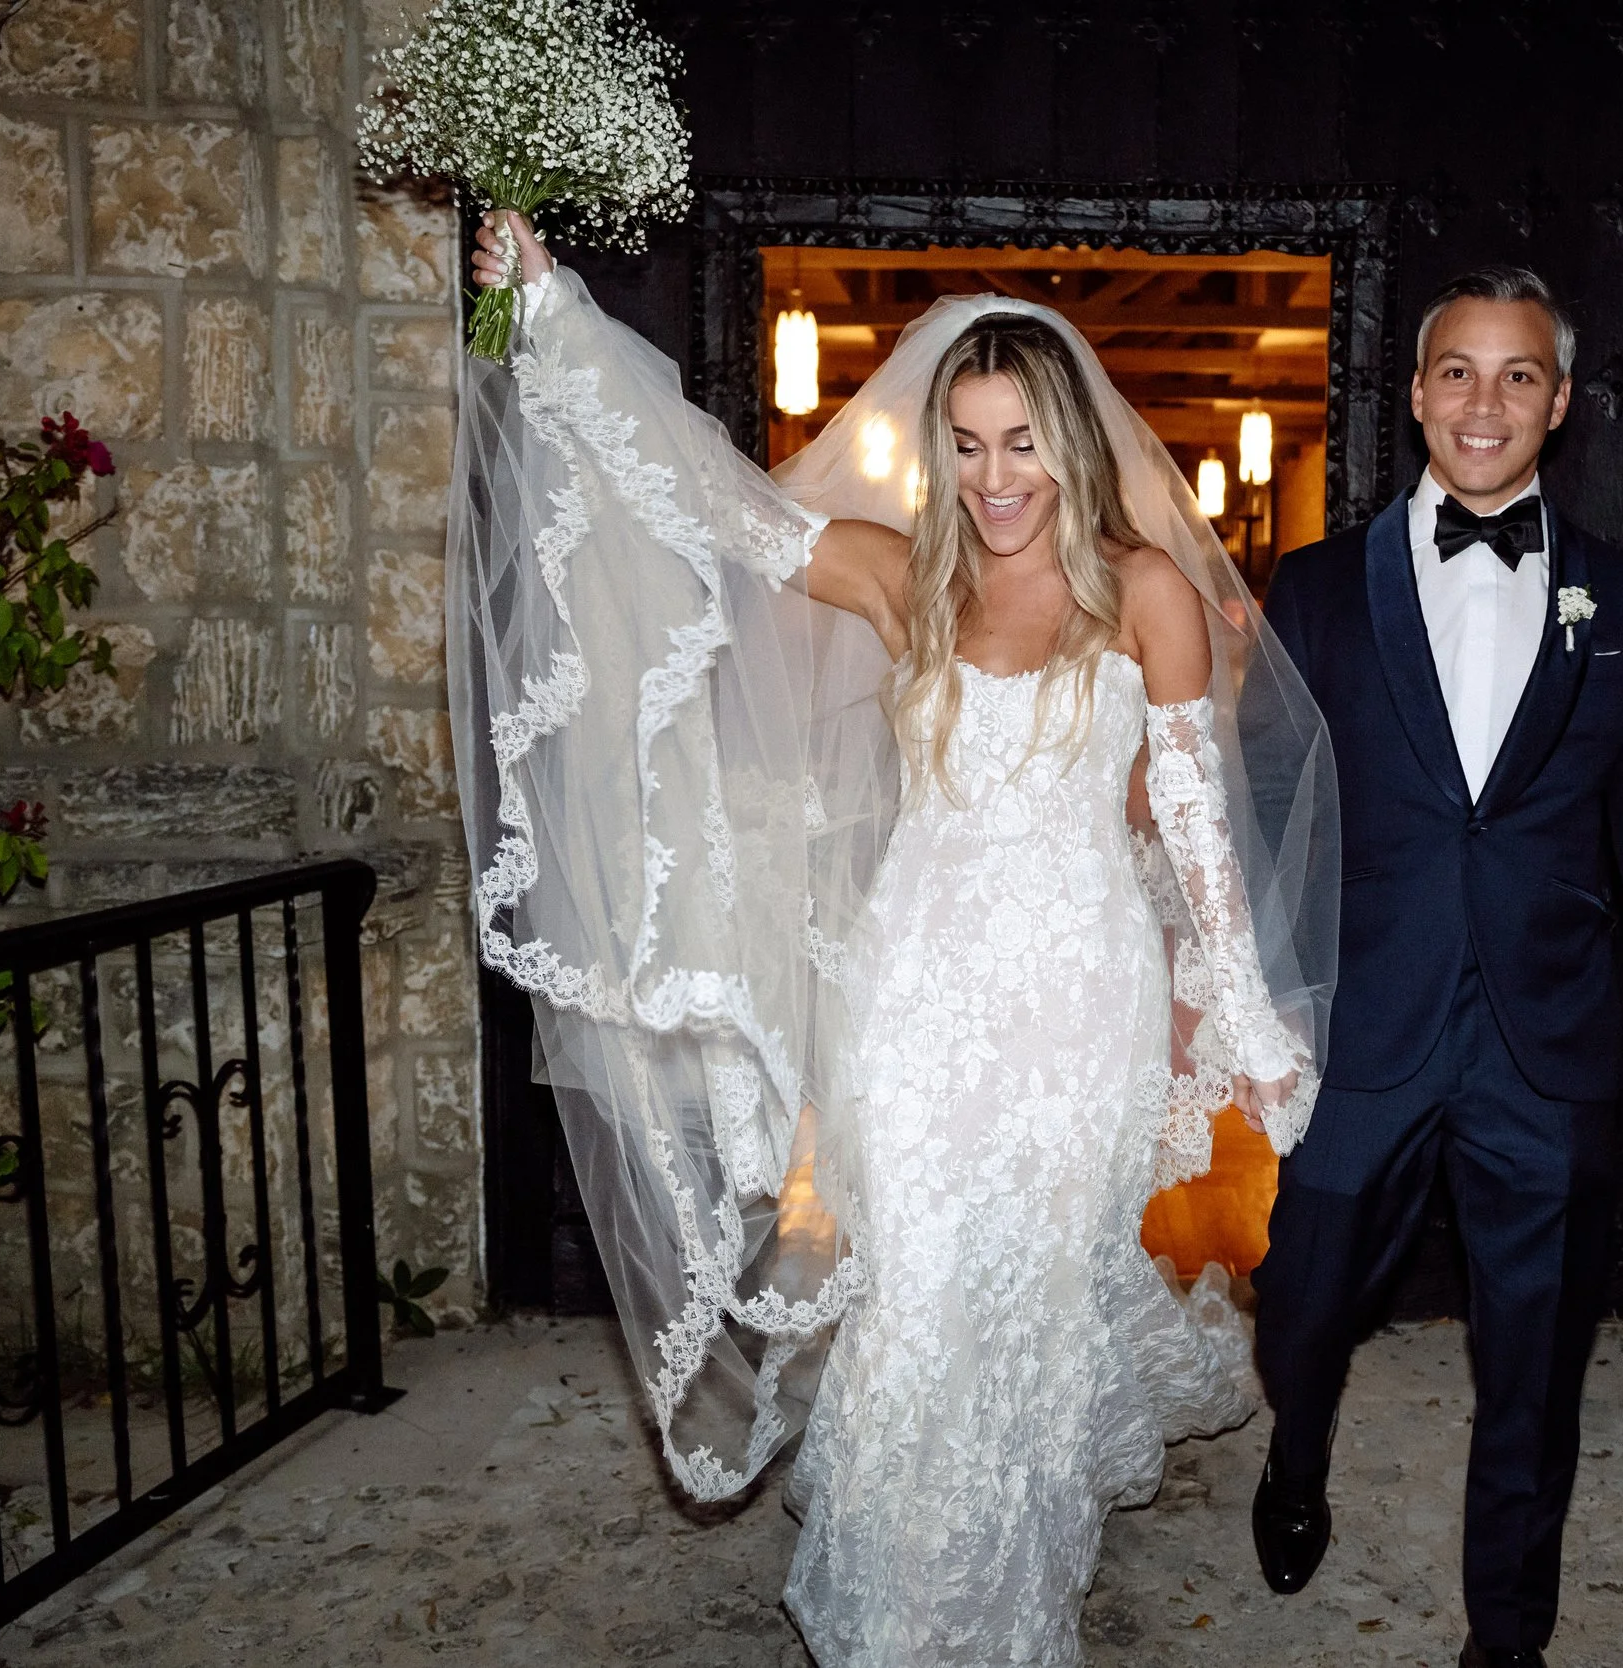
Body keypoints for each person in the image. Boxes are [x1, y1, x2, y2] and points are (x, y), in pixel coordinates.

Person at [452, 214, 1339, 1666]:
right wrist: (562, 325)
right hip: (913, 995)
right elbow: (708, 499)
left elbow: (1193, 833)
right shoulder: (899, 574)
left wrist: (1234, 1022)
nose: (997, 478)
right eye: (969, 445)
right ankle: (899, 1609)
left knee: (1026, 1302)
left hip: (1077, 1006)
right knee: (918, 1293)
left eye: (1023, 443)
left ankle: (1006, 1604)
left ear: (1072, 443)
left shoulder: (1151, 595)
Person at [1246, 265, 1623, 1668]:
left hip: (1551, 1043)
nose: (1486, 402)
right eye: (1458, 371)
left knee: (1534, 1366)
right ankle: (1299, 1444)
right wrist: (1248, 1002)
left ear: (1560, 401)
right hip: (1363, 1020)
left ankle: (1508, 1639)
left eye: (1518, 374)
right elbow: (1266, 808)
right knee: (1303, 1304)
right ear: (1416, 394)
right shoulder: (1318, 587)